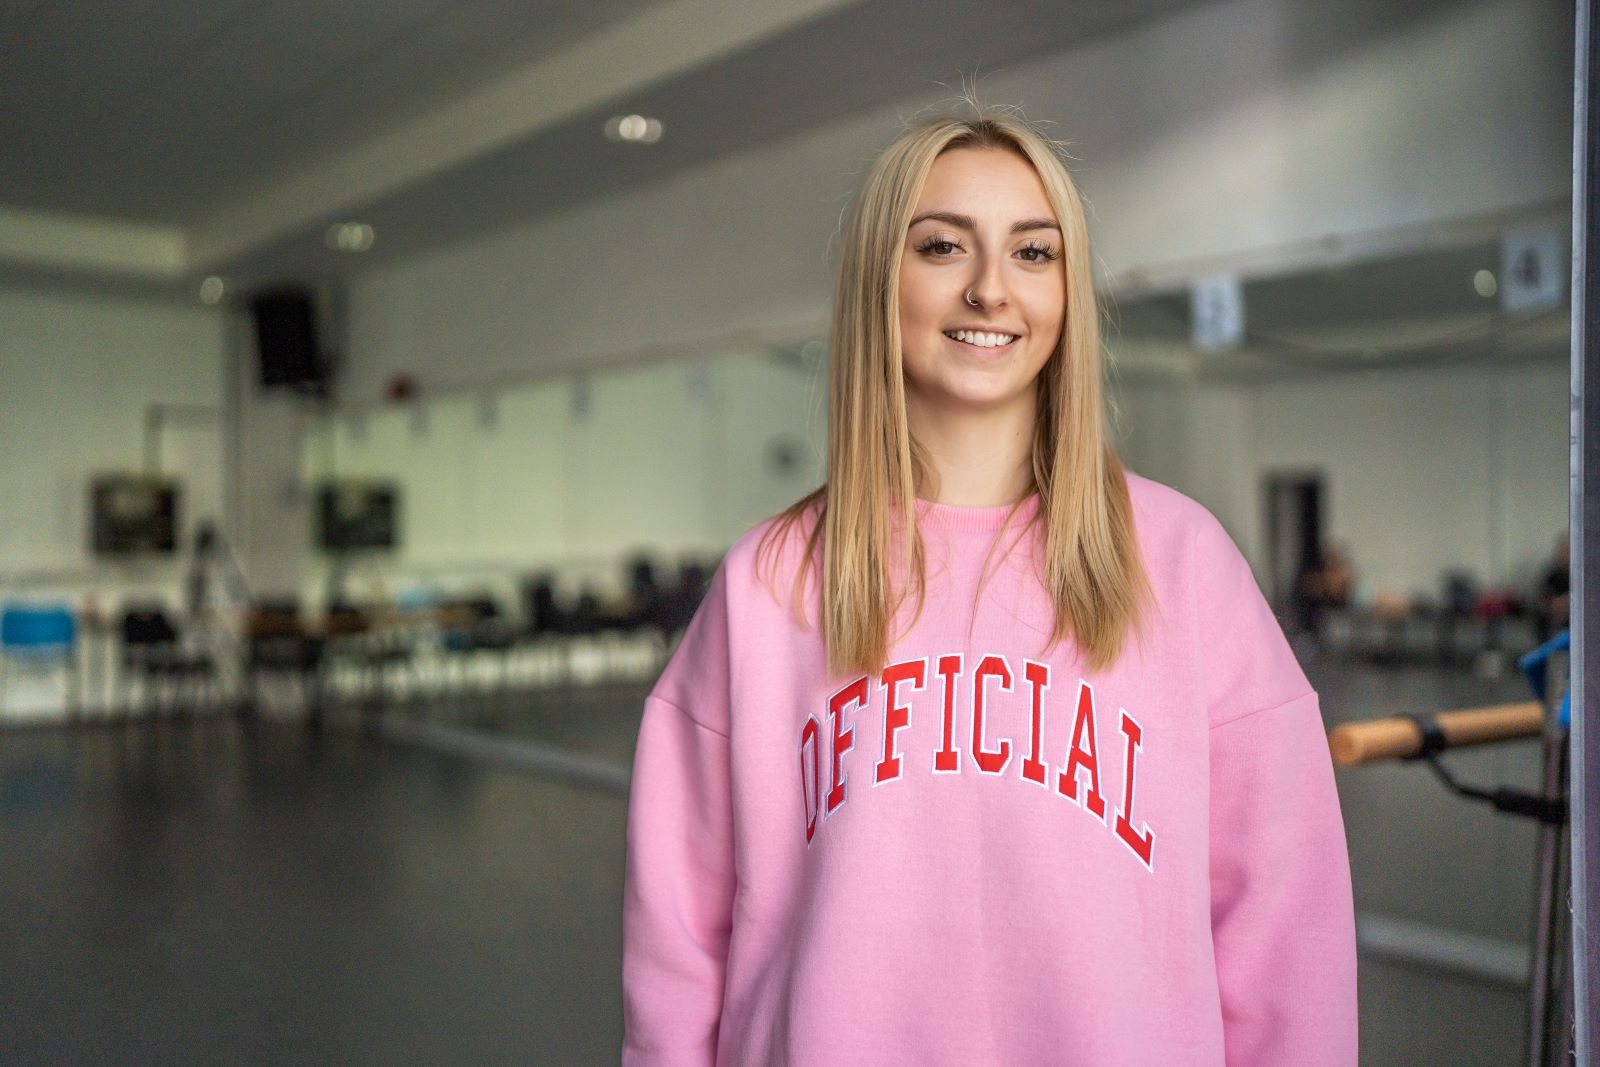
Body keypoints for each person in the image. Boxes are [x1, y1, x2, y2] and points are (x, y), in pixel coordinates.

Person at [622, 105, 1357, 1065]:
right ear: (878, 280)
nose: (990, 289)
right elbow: (679, 957)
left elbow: (1284, 933)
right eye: (942, 246)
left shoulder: (1185, 564)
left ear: (1068, 293)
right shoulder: (769, 586)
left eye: (1033, 253)